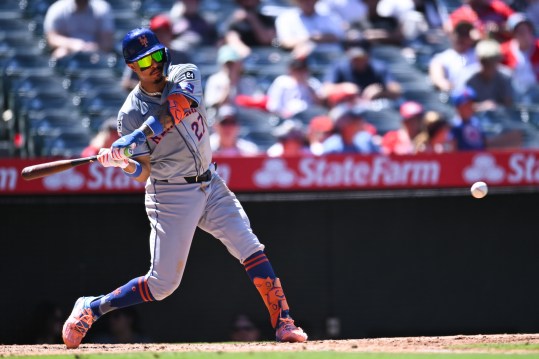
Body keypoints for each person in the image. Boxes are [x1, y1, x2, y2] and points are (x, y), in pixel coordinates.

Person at [61, 27, 308, 349]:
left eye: (157, 54)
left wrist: (135, 139)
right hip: (170, 193)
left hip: (210, 181)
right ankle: (92, 307)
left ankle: (284, 323)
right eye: (145, 60)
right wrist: (122, 163)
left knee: (250, 246)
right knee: (163, 285)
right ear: (132, 67)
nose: (155, 63)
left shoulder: (184, 73)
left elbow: (177, 106)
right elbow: (142, 173)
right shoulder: (130, 115)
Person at [121, 14, 191, 92]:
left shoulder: (181, 55)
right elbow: (126, 83)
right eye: (157, 33)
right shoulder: (140, 56)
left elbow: (191, 82)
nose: (161, 36)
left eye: (164, 33)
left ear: (170, 34)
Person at [449, 86, 522, 150]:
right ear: (458, 108)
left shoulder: (475, 122)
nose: (469, 108)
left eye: (470, 104)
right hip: (462, 161)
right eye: (465, 105)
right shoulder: (455, 125)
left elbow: (484, 143)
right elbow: (452, 146)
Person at [323, 45, 402, 101]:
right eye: (355, 59)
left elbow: (397, 91)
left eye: (361, 59)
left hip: (373, 106)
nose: (358, 62)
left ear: (367, 58)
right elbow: (325, 91)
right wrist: (344, 88)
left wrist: (381, 90)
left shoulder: (378, 67)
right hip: (349, 107)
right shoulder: (340, 67)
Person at [43, 0, 115, 59]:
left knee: (105, 58)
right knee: (60, 54)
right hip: (68, 49)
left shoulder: (102, 8)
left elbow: (107, 41)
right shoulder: (57, 9)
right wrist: (72, 44)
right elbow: (52, 38)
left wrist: (92, 47)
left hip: (95, 50)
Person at [455, 38, 514, 111]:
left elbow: (509, 105)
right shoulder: (468, 78)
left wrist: (496, 106)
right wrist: (481, 106)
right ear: (478, 59)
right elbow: (461, 106)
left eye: (492, 61)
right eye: (485, 62)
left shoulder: (505, 77)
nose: (488, 66)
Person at [274, 0, 345, 53]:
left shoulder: (330, 17)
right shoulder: (286, 18)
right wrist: (309, 38)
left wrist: (313, 38)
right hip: (300, 63)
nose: (308, 2)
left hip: (331, 59)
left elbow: (338, 37)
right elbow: (286, 42)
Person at [429, 21, 478, 93]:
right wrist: (446, 85)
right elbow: (437, 78)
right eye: (459, 34)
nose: (462, 38)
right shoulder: (442, 58)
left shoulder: (479, 54)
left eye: (465, 35)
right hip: (454, 97)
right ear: (453, 35)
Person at [500, 13, 539, 97]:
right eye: (520, 31)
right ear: (513, 34)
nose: (525, 34)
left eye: (527, 30)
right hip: (514, 95)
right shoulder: (504, 51)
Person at [446, 0, 515, 41]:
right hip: (475, 58)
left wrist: (501, 29)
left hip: (505, 51)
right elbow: (454, 38)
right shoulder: (458, 15)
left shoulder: (498, 7)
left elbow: (519, 26)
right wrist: (470, 37)